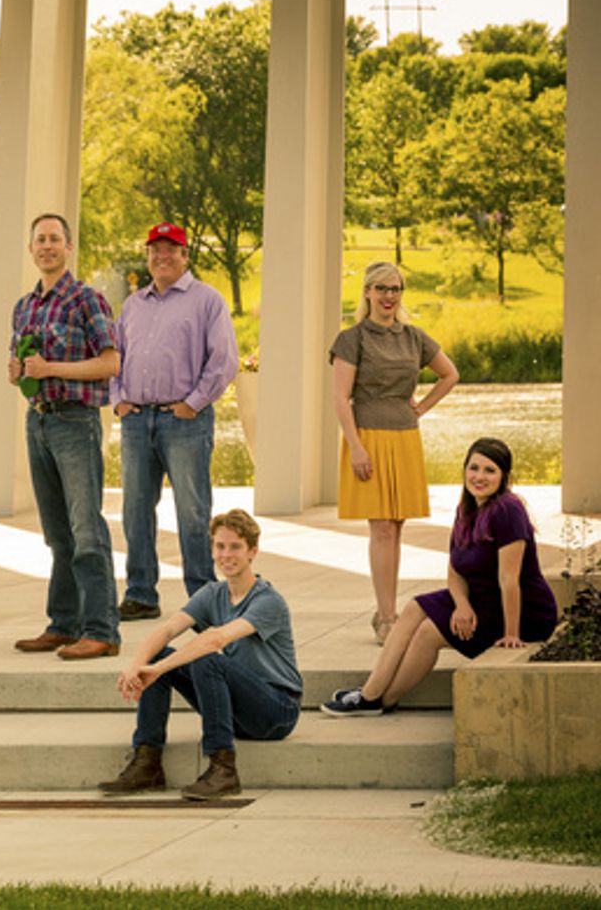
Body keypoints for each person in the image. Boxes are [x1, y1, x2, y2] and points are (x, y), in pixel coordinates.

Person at [322, 438, 558, 716]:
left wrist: (511, 634)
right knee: (414, 607)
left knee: (429, 632)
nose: (479, 477)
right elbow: (455, 569)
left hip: (522, 614)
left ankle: (378, 699)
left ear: (504, 476)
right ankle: (371, 693)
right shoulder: (467, 508)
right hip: (482, 600)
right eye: (474, 468)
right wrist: (461, 604)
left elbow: (510, 579)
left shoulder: (508, 511)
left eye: (490, 470)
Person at [99, 509, 301, 800]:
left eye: (235, 547)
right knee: (158, 656)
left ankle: (223, 769)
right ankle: (147, 762)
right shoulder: (213, 593)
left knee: (207, 660)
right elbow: (167, 630)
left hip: (277, 709)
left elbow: (214, 639)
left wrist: (158, 671)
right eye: (220, 546)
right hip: (238, 707)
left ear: (252, 552)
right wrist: (138, 666)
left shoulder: (268, 601)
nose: (226, 554)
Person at [110, 222, 238, 624]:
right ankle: (141, 594)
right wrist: (118, 401)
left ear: (185, 255)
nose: (162, 256)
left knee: (193, 512)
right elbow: (115, 356)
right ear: (148, 256)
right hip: (136, 421)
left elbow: (224, 362)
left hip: (185, 421)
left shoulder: (207, 301)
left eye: (171, 249)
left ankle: (201, 598)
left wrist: (194, 403)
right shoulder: (133, 304)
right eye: (155, 249)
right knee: (134, 510)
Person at [9, 213, 122, 660]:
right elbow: (25, 368)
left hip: (75, 422)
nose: (47, 246)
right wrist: (19, 373)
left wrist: (51, 369)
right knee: (57, 533)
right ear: (31, 248)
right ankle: (63, 623)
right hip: (38, 420)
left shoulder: (86, 300)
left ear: (68, 247)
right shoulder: (24, 306)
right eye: (40, 239)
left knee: (86, 529)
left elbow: (111, 363)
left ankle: (102, 630)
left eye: (55, 239)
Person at [330, 261, 458, 644]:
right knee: (381, 527)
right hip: (367, 436)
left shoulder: (414, 337)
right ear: (367, 292)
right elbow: (340, 397)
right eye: (381, 288)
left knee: (396, 527)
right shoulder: (352, 339)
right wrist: (355, 447)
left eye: (395, 289)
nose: (389, 296)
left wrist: (420, 407)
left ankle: (388, 611)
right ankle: (386, 616)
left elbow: (449, 374)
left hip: (404, 437)